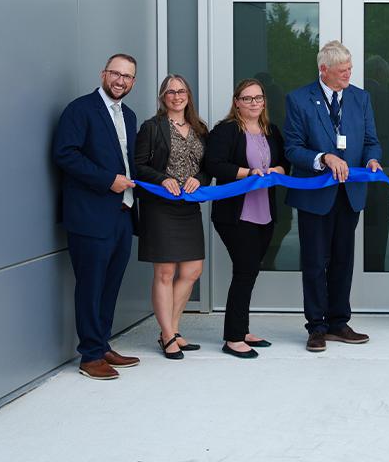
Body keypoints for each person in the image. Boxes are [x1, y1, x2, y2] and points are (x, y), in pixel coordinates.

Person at [284, 41, 382, 352]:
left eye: (350, 69)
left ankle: (339, 322)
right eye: (342, 71)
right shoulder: (299, 100)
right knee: (314, 262)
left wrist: (371, 160)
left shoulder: (360, 98)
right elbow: (293, 148)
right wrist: (324, 157)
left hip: (350, 195)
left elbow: (371, 141)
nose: (348, 75)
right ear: (323, 70)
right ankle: (316, 327)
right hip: (315, 196)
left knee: (343, 260)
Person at [52, 54, 141, 380]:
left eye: (128, 76)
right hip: (90, 215)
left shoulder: (129, 115)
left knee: (110, 285)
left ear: (133, 81)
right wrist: (108, 180)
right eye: (116, 74)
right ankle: (89, 356)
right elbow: (65, 154)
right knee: (90, 286)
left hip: (122, 212)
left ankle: (102, 344)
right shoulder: (80, 109)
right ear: (104, 74)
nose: (121, 80)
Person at [205, 79, 289, 359]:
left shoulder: (271, 130)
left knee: (250, 272)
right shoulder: (225, 130)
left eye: (258, 98)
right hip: (235, 215)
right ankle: (232, 338)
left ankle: (242, 330)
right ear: (236, 102)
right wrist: (248, 173)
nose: (254, 102)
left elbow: (284, 163)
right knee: (244, 271)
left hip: (265, 213)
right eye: (247, 98)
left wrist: (277, 168)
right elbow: (214, 165)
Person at [134, 74, 210, 360]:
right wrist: (163, 178)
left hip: (188, 206)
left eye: (181, 91)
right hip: (160, 206)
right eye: (170, 92)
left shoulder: (200, 129)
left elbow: (207, 167)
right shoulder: (151, 127)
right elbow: (139, 166)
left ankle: (172, 330)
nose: (176, 96)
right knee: (164, 273)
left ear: (188, 95)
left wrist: (199, 180)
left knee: (192, 271)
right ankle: (168, 335)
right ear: (162, 97)